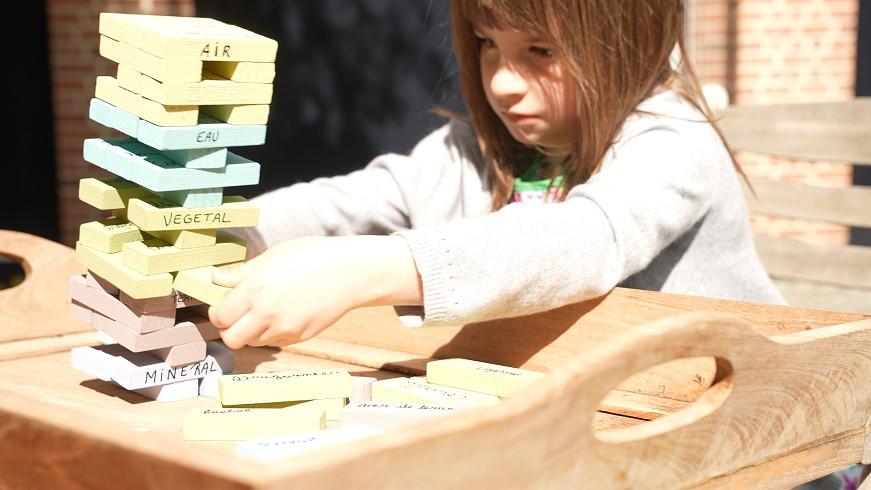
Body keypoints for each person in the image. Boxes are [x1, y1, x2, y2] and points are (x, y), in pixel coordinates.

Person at [209, 0, 785, 349]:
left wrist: (370, 268)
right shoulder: (473, 150)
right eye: (487, 44)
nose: (504, 81)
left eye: (540, 50)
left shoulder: (671, 143)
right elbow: (346, 204)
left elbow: (583, 242)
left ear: (628, 42)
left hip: (753, 425)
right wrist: (216, 232)